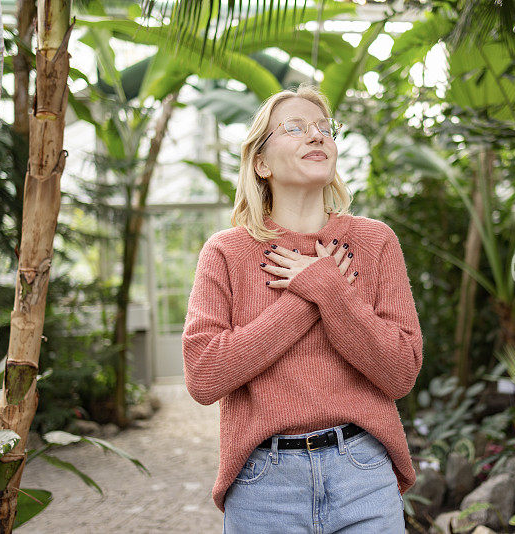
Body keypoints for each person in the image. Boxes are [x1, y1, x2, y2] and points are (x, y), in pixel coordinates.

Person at [182, 82, 424, 533]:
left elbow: (401, 372)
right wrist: (310, 295)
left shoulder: (374, 242)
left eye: (323, 128)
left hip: (363, 474)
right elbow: (203, 375)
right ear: (261, 163)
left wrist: (331, 293)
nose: (316, 136)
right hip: (263, 484)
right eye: (295, 128)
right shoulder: (227, 252)